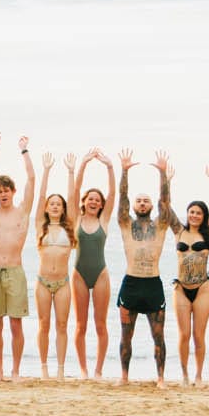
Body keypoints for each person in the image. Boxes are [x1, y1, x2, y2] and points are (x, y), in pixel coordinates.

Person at [113, 149, 178, 387]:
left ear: (151, 205)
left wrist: (162, 174)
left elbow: (166, 202)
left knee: (158, 335)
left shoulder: (161, 224)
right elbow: (122, 198)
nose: (142, 203)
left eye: (145, 200)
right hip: (131, 283)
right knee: (125, 335)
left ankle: (160, 378)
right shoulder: (125, 223)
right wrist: (124, 170)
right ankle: (124, 377)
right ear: (134, 205)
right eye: (139, 200)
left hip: (152, 283)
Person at [0, 130, 36, 380]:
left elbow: (32, 179)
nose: (2, 194)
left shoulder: (22, 211)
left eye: (6, 190)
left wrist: (24, 151)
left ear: (12, 191)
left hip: (15, 271)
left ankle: (15, 371)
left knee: (15, 324)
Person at [171, 160, 209, 385]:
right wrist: (167, 179)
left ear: (203, 217)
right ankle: (184, 375)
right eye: (191, 212)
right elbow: (165, 207)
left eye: (198, 213)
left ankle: (199, 375)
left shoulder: (208, 234)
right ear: (187, 214)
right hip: (181, 288)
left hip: (203, 288)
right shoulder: (178, 232)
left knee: (198, 336)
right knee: (183, 335)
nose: (194, 215)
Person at [71, 151, 116, 379]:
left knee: (100, 325)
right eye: (90, 199)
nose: (94, 201)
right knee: (80, 325)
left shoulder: (104, 221)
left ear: (101, 205)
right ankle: (83, 370)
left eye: (97, 200)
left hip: (100, 275)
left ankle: (98, 370)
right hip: (79, 275)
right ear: (85, 202)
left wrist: (109, 167)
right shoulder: (77, 219)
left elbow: (112, 193)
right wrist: (84, 163)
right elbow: (75, 191)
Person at [32, 155, 77, 380]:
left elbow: (72, 196)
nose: (55, 206)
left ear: (63, 208)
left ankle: (60, 369)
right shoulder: (41, 225)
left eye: (59, 204)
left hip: (63, 283)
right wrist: (46, 170)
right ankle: (43, 368)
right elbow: (40, 197)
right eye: (52, 204)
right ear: (47, 208)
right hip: (42, 282)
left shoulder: (70, 226)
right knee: (43, 324)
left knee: (61, 325)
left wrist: (71, 171)